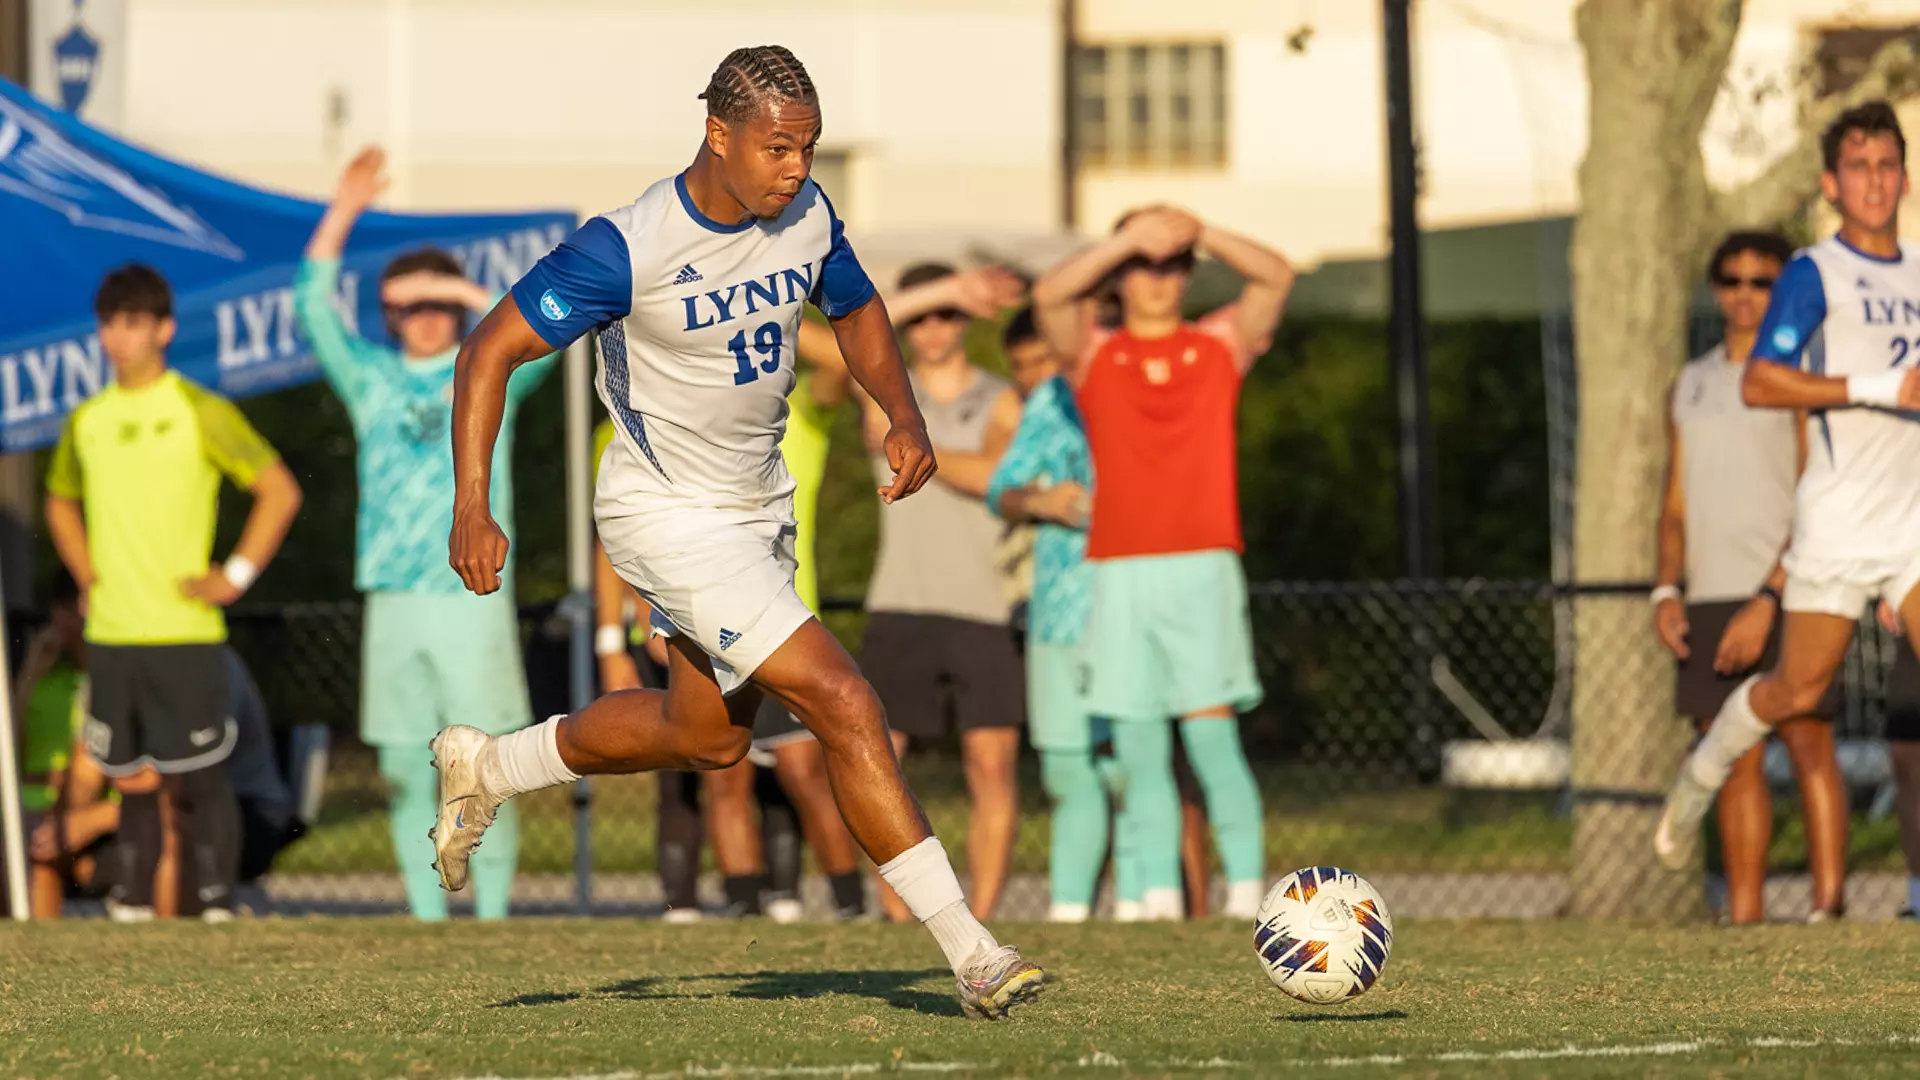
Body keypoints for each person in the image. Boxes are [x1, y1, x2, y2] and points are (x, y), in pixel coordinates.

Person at [433, 46, 1042, 1017]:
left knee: (707, 741)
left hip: (759, 512)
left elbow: (856, 305)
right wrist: (472, 503)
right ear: (716, 133)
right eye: (777, 148)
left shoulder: (807, 216)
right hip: (662, 511)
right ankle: (973, 952)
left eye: (808, 148)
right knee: (845, 700)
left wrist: (904, 412)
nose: (796, 169)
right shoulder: (624, 247)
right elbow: (488, 350)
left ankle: (490, 765)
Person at [1656, 102, 1920, 886]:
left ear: (1904, 176)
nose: (1874, 179)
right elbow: (1763, 381)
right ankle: (1705, 767)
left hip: (1911, 525)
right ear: (1832, 184)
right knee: (1795, 690)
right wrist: (1878, 387)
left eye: (1887, 163)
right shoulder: (1814, 272)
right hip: (1837, 526)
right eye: (1859, 166)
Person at [294, 147, 553, 922]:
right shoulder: (369, 377)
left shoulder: (489, 369)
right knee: (409, 767)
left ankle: (496, 917)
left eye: (439, 304)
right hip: (395, 595)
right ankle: (428, 921)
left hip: (472, 596)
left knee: (488, 762)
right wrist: (341, 213)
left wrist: (460, 291)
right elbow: (312, 309)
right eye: (410, 305)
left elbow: (538, 326)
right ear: (390, 315)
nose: (427, 317)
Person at [1032, 205, 1295, 920]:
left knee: (1212, 738)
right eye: (1142, 266)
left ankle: (1248, 897)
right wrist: (1124, 240)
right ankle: (1154, 901)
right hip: (1117, 569)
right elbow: (1050, 297)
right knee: (1140, 747)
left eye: (1170, 265)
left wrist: (1196, 230)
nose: (1156, 277)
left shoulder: (1218, 345)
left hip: (1202, 565)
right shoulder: (1092, 353)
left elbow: (1276, 275)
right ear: (1120, 275)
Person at [44, 263, 303, 921]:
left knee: (197, 777)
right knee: (129, 776)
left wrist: (234, 576)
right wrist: (84, 571)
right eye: (109, 323)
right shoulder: (87, 421)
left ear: (164, 329)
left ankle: (216, 906)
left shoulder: (199, 409)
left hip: (185, 631)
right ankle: (130, 904)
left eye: (133, 322)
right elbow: (58, 502)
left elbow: (278, 490)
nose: (117, 337)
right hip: (112, 632)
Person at [1653, 231, 1849, 923]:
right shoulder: (1691, 381)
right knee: (1729, 755)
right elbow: (1674, 502)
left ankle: (1829, 911)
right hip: (1709, 592)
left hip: (1792, 587)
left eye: (1762, 281)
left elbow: (1817, 485)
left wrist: (1771, 593)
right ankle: (1746, 923)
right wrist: (1666, 589)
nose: (1746, 294)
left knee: (1804, 739)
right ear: (1716, 290)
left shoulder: (1798, 378)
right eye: (1732, 279)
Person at [838, 262, 1027, 921]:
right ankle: (901, 915)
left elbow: (996, 475)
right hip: (901, 601)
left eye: (947, 313)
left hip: (983, 604)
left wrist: (917, 441)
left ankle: (986, 913)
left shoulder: (1000, 396)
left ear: (967, 323)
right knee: (882, 768)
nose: (933, 325)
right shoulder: (887, 391)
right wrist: (945, 288)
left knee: (991, 767)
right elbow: (852, 322)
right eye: (922, 314)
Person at [983, 308, 1108, 921]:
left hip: (1127, 605)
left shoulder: (1119, 383)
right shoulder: (1045, 406)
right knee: (1066, 770)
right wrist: (1040, 499)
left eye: (1043, 359)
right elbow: (998, 489)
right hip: (1058, 611)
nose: (1033, 375)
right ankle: (1071, 916)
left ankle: (1151, 907)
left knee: (1132, 771)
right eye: (1022, 364)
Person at [28, 646, 297, 918]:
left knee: (169, 820)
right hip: (135, 812)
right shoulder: (109, 667)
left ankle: (172, 940)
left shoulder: (206, 665)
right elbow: (87, 768)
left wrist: (92, 821)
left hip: (240, 812)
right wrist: (62, 828)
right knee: (43, 848)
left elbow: (178, 779)